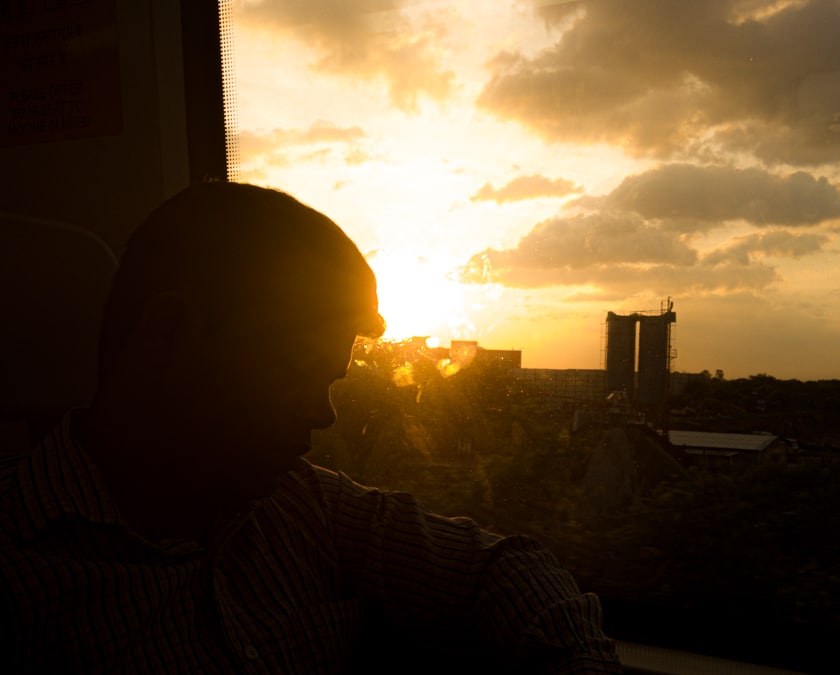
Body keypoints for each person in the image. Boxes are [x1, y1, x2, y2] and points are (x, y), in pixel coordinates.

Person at [0, 182, 622, 673]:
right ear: (170, 338)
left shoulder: (301, 505)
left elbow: (504, 569)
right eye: (299, 373)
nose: (323, 413)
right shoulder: (26, 589)